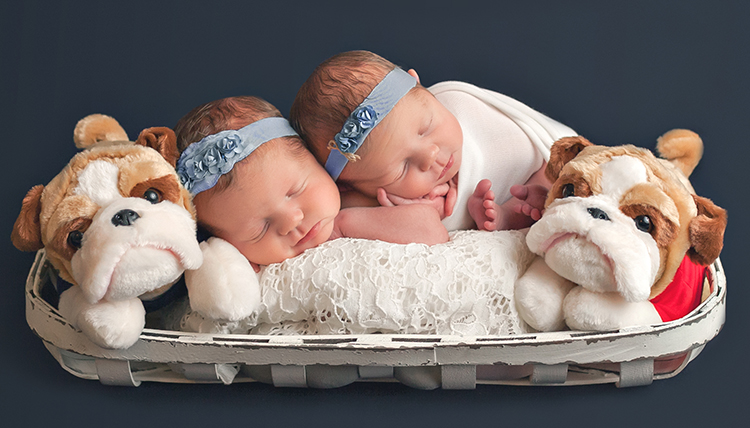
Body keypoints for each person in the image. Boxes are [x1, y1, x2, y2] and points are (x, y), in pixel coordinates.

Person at [289, 50, 577, 232]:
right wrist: (421, 210)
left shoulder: (458, 103)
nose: (430, 156)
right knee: (519, 205)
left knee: (551, 172)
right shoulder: (370, 199)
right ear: (354, 185)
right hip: (503, 199)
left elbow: (539, 137)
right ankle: (508, 218)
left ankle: (541, 193)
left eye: (425, 128)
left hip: (532, 164)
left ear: (420, 85)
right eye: (402, 167)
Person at [174, 96, 449, 271]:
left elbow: (431, 230)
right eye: (259, 230)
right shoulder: (252, 264)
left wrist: (343, 225)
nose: (292, 221)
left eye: (296, 191)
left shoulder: (360, 191)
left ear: (317, 161)